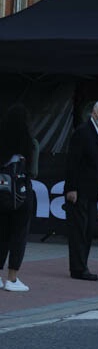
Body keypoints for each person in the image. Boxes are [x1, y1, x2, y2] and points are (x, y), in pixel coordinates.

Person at [65, 100, 98, 281]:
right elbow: (73, 162)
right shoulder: (83, 133)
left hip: (93, 190)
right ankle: (78, 268)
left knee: (89, 229)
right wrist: (71, 188)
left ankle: (82, 264)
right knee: (79, 229)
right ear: (94, 113)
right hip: (80, 190)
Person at [0, 104, 38, 291]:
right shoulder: (29, 143)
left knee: (2, 235)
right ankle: (12, 278)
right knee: (19, 235)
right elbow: (34, 170)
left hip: (2, 193)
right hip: (22, 192)